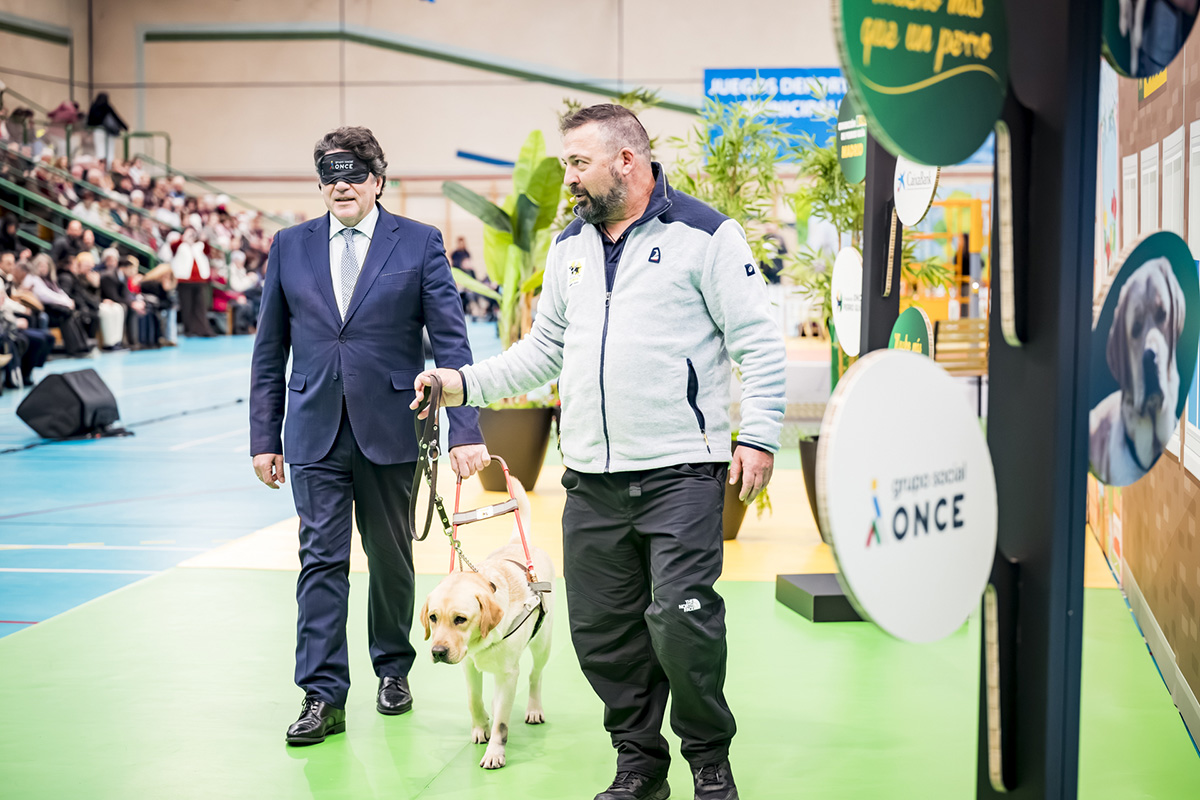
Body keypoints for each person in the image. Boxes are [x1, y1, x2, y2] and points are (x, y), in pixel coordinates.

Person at [413, 104, 785, 800]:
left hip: (681, 471)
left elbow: (758, 343)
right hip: (591, 478)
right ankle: (639, 765)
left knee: (683, 624)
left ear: (626, 160)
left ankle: (709, 763)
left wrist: (759, 435)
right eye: (566, 163)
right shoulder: (569, 247)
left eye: (579, 162)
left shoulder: (707, 234)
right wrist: (459, 384)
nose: (569, 177)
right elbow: (543, 350)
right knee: (604, 636)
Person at [249, 126, 491, 747]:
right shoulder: (289, 246)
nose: (342, 186)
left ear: (378, 181)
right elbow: (269, 349)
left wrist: (463, 429)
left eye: (354, 174)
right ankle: (322, 694)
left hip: (392, 426)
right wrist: (264, 437)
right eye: (330, 176)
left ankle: (393, 669)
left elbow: (452, 341)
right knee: (320, 561)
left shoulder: (419, 241)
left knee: (390, 558)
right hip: (313, 431)